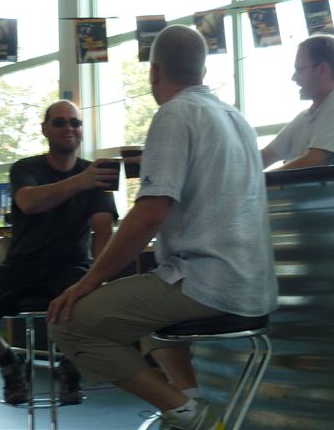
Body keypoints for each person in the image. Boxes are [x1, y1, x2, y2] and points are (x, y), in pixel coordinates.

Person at [47, 24, 278, 430]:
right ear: (202, 70)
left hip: (209, 284)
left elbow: (151, 213)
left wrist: (89, 282)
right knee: (142, 312)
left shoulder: (175, 114)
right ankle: (189, 400)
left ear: (154, 72)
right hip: (256, 286)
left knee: (70, 322)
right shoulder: (236, 119)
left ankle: (192, 416)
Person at [0, 100, 119, 405]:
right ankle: (9, 362)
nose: (68, 128)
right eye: (60, 122)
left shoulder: (96, 174)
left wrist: (97, 279)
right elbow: (29, 203)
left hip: (71, 266)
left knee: (104, 306)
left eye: (75, 123)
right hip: (20, 266)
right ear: (45, 129)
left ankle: (71, 364)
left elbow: (103, 231)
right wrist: (81, 181)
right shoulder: (26, 168)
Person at [261, 34, 334, 170]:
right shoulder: (305, 118)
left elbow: (313, 162)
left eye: (299, 70)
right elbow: (263, 157)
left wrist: (263, 181)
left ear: (322, 70)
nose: (294, 77)